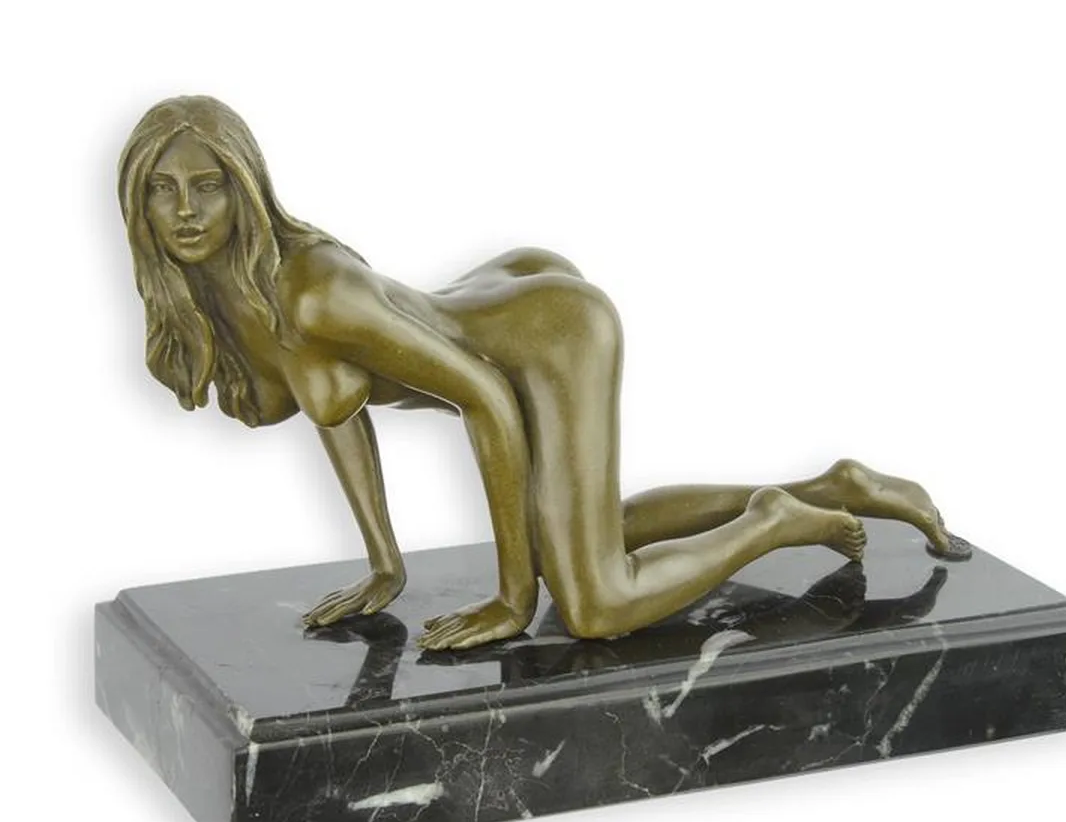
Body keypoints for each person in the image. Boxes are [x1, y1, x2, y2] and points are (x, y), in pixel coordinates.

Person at [119, 96, 969, 650]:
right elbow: (335, 411)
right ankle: (833, 486)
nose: (185, 210)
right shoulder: (236, 301)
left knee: (593, 605)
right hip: (500, 308)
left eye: (207, 186)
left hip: (548, 339)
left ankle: (773, 520)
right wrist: (386, 568)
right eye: (163, 189)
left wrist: (511, 599)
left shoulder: (312, 291)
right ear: (137, 203)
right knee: (588, 537)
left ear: (244, 187)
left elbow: (486, 395)